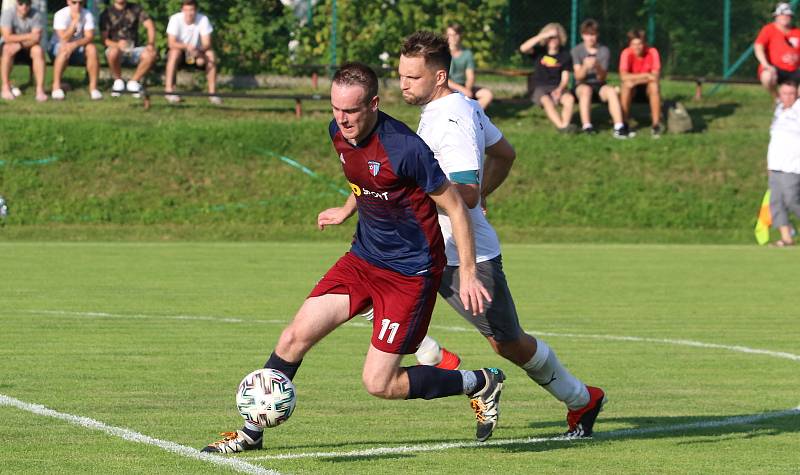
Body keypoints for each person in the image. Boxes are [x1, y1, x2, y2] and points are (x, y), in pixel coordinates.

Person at [201, 62, 504, 454]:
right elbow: (365, 179)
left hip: (410, 274)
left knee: (379, 383)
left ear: (374, 104)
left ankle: (479, 381)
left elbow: (459, 208)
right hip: (362, 259)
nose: (341, 119)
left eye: (351, 111)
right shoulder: (338, 133)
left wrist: (466, 271)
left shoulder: (406, 148)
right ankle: (250, 432)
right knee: (294, 337)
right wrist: (347, 209)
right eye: (335, 109)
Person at [399, 31, 606, 438]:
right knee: (366, 294)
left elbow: (468, 191)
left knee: (507, 343)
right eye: (401, 75)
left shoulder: (452, 118)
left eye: (412, 77)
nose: (403, 84)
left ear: (439, 76)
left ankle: (582, 398)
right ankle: (439, 359)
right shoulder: (456, 106)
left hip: (462, 254)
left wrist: (464, 196)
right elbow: (504, 153)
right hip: (424, 245)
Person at [571, 19, 632, 138]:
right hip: (582, 85)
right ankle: (587, 126)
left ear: (597, 35)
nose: (591, 38)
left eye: (593, 34)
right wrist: (585, 66)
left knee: (611, 91)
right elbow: (578, 76)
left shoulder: (604, 51)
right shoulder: (577, 51)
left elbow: (602, 77)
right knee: (585, 91)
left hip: (599, 85)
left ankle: (619, 127)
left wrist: (597, 66)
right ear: (583, 35)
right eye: (588, 35)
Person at [519, 23, 576, 133]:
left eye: (556, 37)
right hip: (540, 88)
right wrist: (543, 35)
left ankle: (565, 125)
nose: (553, 40)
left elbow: (565, 78)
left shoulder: (565, 55)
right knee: (546, 100)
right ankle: (561, 127)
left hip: (557, 87)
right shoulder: (539, 52)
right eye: (550, 38)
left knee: (569, 99)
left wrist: (559, 90)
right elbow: (523, 48)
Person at [165, 0, 219, 104]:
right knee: (174, 53)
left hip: (197, 52)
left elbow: (207, 43)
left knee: (211, 55)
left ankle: (212, 94)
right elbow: (171, 43)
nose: (189, 13)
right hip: (180, 53)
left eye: (192, 10)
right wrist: (186, 47)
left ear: (196, 10)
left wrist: (198, 51)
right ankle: (169, 91)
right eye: (186, 10)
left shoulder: (203, 19)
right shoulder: (175, 19)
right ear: (182, 10)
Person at [767, 80, 800, 246]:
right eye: (784, 93)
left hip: (793, 166)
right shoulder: (779, 110)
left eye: (791, 93)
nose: (788, 97)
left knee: (792, 200)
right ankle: (786, 238)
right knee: (776, 202)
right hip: (775, 165)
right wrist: (769, 165)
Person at [100, 0, 156, 98]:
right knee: (113, 52)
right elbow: (104, 40)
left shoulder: (136, 9)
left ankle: (133, 82)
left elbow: (150, 25)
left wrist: (150, 43)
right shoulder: (106, 13)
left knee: (151, 54)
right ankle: (118, 81)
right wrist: (117, 45)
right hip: (116, 49)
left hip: (133, 49)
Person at [48, 0, 101, 100]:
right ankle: (56, 86)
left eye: (80, 3)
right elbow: (63, 38)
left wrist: (75, 44)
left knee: (92, 48)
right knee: (63, 49)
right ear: (68, 2)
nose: (77, 6)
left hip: (77, 47)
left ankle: (93, 88)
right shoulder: (60, 14)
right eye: (74, 2)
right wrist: (74, 22)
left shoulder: (87, 14)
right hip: (57, 48)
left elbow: (89, 37)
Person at [619, 29, 663, 137]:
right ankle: (624, 123)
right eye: (634, 44)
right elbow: (623, 76)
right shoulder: (626, 53)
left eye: (640, 44)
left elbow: (655, 77)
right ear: (630, 44)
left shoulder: (653, 52)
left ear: (644, 43)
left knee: (654, 86)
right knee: (626, 86)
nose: (637, 47)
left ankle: (656, 125)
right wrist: (646, 75)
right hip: (632, 88)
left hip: (647, 87)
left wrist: (637, 79)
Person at [0, 0, 46, 101]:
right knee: (7, 48)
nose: (24, 6)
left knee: (38, 50)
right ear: (16, 3)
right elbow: (7, 37)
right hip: (11, 47)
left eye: (27, 4)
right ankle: (5, 87)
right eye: (21, 3)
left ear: (30, 4)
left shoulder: (36, 14)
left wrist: (20, 45)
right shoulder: (8, 13)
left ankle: (40, 90)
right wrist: (29, 36)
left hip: (27, 47)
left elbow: (37, 38)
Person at [755, 3, 800, 95]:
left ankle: (795, 105)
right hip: (775, 70)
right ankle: (777, 98)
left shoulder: (797, 32)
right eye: (782, 14)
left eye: (788, 15)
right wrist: (766, 65)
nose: (785, 17)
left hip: (794, 70)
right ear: (776, 16)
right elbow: (758, 47)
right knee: (767, 76)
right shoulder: (768, 29)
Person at [445, 22, 493, 110]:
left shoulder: (467, 54)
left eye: (455, 35)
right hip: (447, 88)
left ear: (460, 36)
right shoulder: (442, 54)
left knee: (487, 94)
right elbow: (443, 78)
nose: (452, 38)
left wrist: (467, 90)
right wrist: (462, 90)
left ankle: (473, 115)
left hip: (464, 86)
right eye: (449, 35)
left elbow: (470, 76)